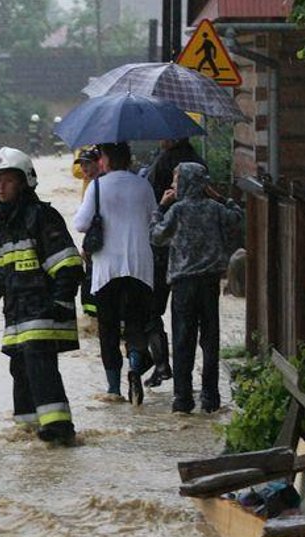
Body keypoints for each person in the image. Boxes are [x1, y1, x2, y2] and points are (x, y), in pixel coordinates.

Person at [0, 147, 84, 446]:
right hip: (16, 318)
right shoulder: (3, 228)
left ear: (24, 182)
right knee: (20, 369)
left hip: (42, 313)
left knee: (39, 365)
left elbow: (69, 265)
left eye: (8, 180)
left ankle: (60, 430)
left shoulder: (42, 218)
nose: (1, 187)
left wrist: (60, 303)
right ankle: (28, 434)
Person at [150, 162, 243, 414]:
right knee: (209, 341)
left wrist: (159, 207)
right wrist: (222, 197)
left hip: (183, 285)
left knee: (182, 341)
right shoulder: (215, 209)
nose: (173, 185)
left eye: (176, 180)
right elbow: (238, 220)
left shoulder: (177, 211)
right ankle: (211, 398)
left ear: (187, 182)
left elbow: (156, 236)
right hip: (209, 284)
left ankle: (182, 399)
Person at [73, 142, 156, 406]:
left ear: (106, 160)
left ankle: (113, 387)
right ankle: (134, 365)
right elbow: (154, 219)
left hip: (107, 269)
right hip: (139, 266)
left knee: (108, 328)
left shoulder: (97, 186)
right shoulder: (143, 185)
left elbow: (80, 224)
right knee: (135, 323)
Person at [143, 138, 206, 388]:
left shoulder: (164, 163)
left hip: (165, 251)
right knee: (200, 326)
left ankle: (163, 366)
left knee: (153, 310)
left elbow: (154, 220)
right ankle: (201, 388)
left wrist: (160, 206)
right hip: (197, 258)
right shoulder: (199, 162)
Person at [74, 146, 104, 318]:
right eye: (82, 164)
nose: (84, 168)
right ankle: (91, 318)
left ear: (98, 163)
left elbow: (82, 223)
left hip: (97, 240)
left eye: (88, 163)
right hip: (92, 237)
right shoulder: (90, 183)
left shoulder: (99, 185)